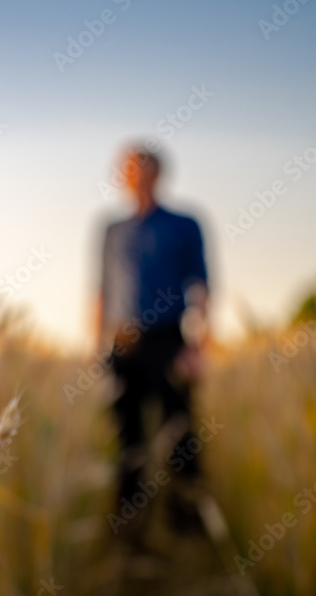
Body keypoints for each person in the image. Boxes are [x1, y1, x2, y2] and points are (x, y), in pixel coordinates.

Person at [96, 144, 209, 534]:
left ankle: (187, 522)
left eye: (142, 169)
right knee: (128, 437)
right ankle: (130, 529)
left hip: (169, 341)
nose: (135, 177)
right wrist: (98, 347)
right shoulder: (111, 229)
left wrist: (197, 348)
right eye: (127, 170)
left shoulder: (185, 224)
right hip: (123, 345)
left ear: (158, 174)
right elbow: (102, 291)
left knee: (180, 432)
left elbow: (201, 287)